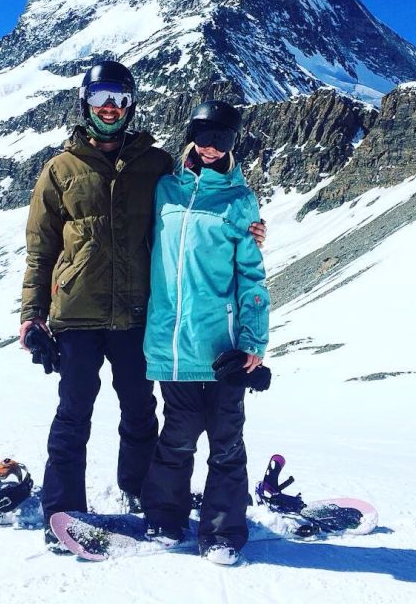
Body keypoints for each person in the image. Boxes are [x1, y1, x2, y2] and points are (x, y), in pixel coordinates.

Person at [20, 64, 266, 552]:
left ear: (130, 104)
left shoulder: (156, 167)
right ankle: (62, 510)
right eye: (100, 97)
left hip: (137, 316)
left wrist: (252, 229)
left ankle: (139, 493)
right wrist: (32, 315)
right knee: (73, 415)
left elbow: (199, 213)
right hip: (77, 316)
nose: (109, 106)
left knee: (140, 412)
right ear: (86, 103)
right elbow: (40, 249)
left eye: (119, 97)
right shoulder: (60, 170)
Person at [141, 100, 270, 566]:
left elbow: (252, 277)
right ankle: (163, 518)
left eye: (223, 139)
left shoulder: (240, 201)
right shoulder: (164, 190)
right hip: (172, 344)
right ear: (191, 133)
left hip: (220, 347)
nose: (212, 147)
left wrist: (253, 342)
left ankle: (222, 532)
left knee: (226, 442)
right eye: (204, 135)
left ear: (234, 143)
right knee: (175, 437)